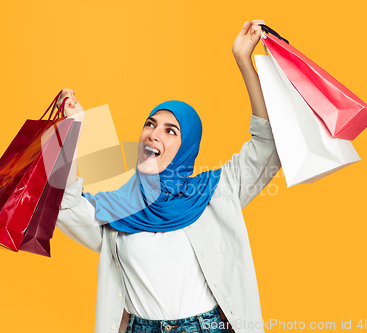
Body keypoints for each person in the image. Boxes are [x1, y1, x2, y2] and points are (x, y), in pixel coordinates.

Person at [55, 20, 281, 333]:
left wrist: (244, 61)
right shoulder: (116, 210)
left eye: (170, 130)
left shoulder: (215, 192)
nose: (153, 134)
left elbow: (267, 143)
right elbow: (62, 204)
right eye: (150, 124)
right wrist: (72, 129)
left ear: (186, 146)